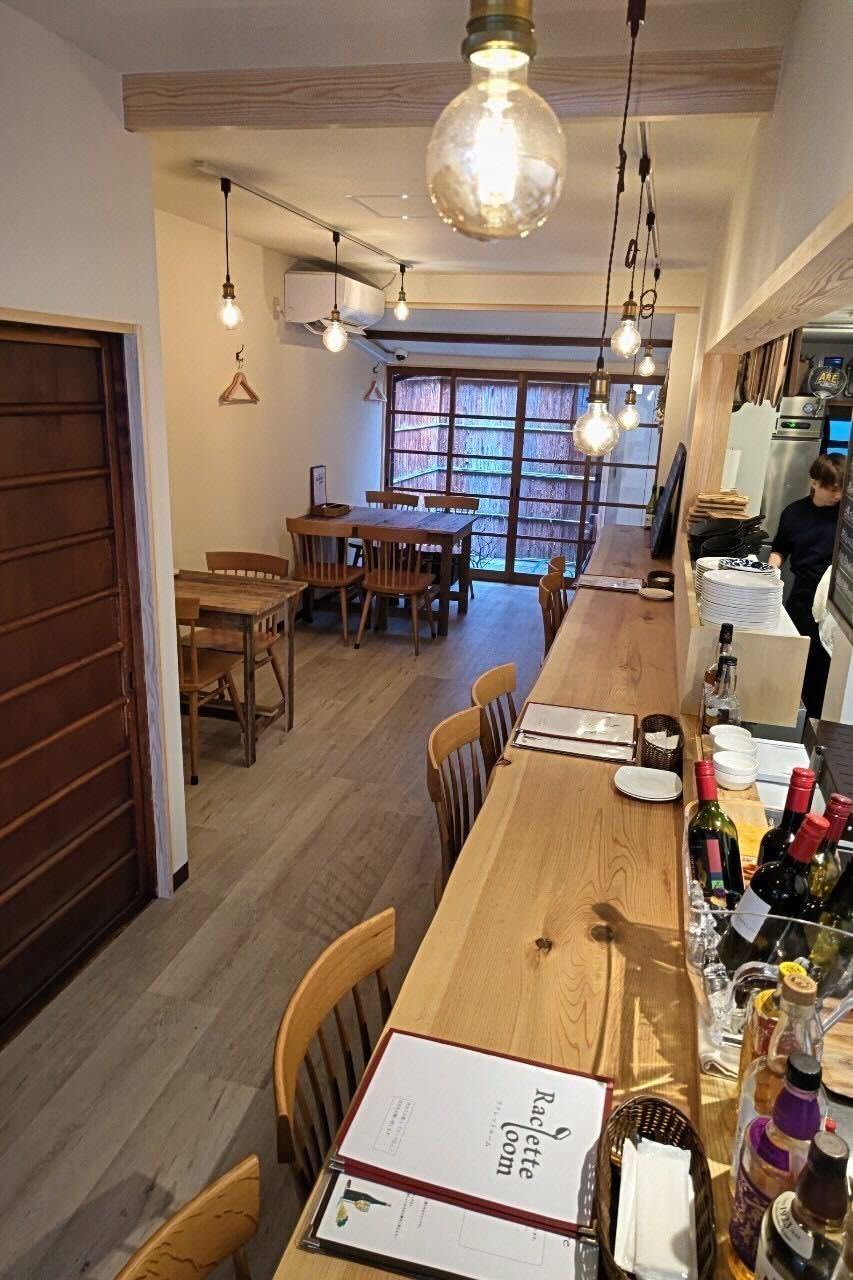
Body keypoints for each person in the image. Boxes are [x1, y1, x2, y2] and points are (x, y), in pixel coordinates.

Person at [769, 453, 844, 718]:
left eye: (841, 489)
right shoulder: (794, 513)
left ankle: (815, 726)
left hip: (833, 602)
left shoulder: (846, 516)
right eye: (831, 489)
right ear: (814, 482)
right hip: (801, 597)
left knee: (823, 673)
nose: (837, 495)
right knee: (794, 662)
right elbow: (780, 549)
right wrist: (771, 570)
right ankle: (787, 719)